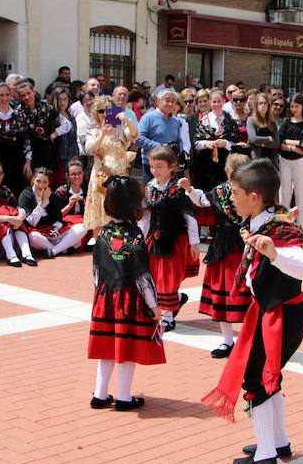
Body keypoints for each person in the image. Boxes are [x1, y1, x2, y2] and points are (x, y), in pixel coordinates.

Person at [202, 159, 303, 464]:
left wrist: (276, 253)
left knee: (258, 378)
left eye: (235, 192)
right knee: (268, 376)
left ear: (253, 197)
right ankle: (277, 442)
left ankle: (267, 454)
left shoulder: (279, 228)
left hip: (282, 315)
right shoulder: (265, 220)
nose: (230, 198)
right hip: (270, 312)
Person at [87, 175, 162, 411]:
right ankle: (123, 397)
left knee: (107, 345)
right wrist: (154, 306)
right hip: (128, 299)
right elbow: (142, 275)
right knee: (127, 347)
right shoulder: (135, 235)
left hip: (105, 297)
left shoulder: (102, 234)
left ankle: (100, 395)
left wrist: (100, 295)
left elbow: (96, 270)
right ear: (133, 205)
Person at [179, 153, 253, 359]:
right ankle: (227, 341)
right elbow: (203, 201)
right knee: (223, 293)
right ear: (227, 172)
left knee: (248, 293)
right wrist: (189, 189)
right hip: (223, 247)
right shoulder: (220, 190)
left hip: (246, 247)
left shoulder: (253, 192)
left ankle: (248, 340)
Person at [140, 146, 200, 333]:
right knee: (155, 276)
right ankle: (176, 299)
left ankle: (167, 316)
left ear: (171, 166)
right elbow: (145, 217)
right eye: (152, 167)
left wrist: (194, 241)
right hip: (155, 238)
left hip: (175, 239)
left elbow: (189, 215)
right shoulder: (150, 187)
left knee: (168, 279)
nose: (154, 171)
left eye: (159, 167)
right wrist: (140, 240)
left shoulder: (178, 188)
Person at [84, 96, 138, 236]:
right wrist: (102, 134)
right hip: (101, 176)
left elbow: (133, 135)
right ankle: (99, 245)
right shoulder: (93, 130)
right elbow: (89, 149)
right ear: (96, 112)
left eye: (108, 110)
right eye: (101, 110)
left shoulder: (120, 129)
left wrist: (127, 120)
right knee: (100, 211)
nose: (105, 114)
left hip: (119, 176)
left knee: (120, 210)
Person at [19, 165, 86, 258]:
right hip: (38, 232)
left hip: (54, 232)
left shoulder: (53, 196)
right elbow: (31, 222)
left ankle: (53, 251)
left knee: (82, 228)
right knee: (33, 237)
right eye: (38, 181)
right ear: (32, 180)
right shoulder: (26, 195)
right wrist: (42, 203)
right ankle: (63, 249)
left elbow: (58, 217)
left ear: (49, 183)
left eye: (45, 182)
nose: (41, 185)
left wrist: (56, 227)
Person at [0, 82, 31, 195]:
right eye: (1, 95)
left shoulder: (19, 114)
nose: (5, 98)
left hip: (18, 161)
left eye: (7, 94)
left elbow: (26, 140)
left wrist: (28, 162)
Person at [193, 89, 240, 191]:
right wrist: (206, 143)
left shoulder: (230, 121)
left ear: (224, 101)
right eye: (214, 101)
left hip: (225, 162)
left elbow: (236, 144)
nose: (216, 104)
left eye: (219, 101)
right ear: (210, 102)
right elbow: (195, 142)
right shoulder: (204, 120)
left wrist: (225, 143)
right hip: (205, 162)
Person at [17, 81, 61, 185]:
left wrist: (54, 134)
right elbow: (26, 140)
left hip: (47, 151)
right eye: (23, 95)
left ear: (34, 91)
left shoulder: (46, 107)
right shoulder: (19, 113)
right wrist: (28, 161)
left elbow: (66, 124)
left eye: (28, 93)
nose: (27, 97)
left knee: (49, 183)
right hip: (32, 154)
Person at [278, 93, 303, 228]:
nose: (294, 109)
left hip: (301, 161)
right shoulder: (286, 122)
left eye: (296, 106)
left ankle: (300, 224)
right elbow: (279, 142)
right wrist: (292, 147)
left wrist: (288, 143)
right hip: (285, 160)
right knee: (284, 192)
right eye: (291, 106)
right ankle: (283, 222)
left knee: (300, 192)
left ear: (302, 106)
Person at [136, 89, 182, 183]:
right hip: (151, 165)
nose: (170, 103)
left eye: (173, 101)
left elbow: (179, 141)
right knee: (150, 196)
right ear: (158, 101)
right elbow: (138, 139)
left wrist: (177, 150)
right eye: (167, 100)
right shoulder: (148, 118)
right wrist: (160, 147)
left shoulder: (176, 121)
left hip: (169, 166)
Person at [246, 92, 279, 163]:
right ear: (256, 105)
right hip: (256, 160)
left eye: (265, 103)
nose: (263, 105)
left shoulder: (272, 122)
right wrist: (269, 139)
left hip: (271, 160)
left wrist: (261, 144)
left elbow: (277, 143)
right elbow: (253, 139)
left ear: (268, 105)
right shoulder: (251, 120)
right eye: (260, 103)